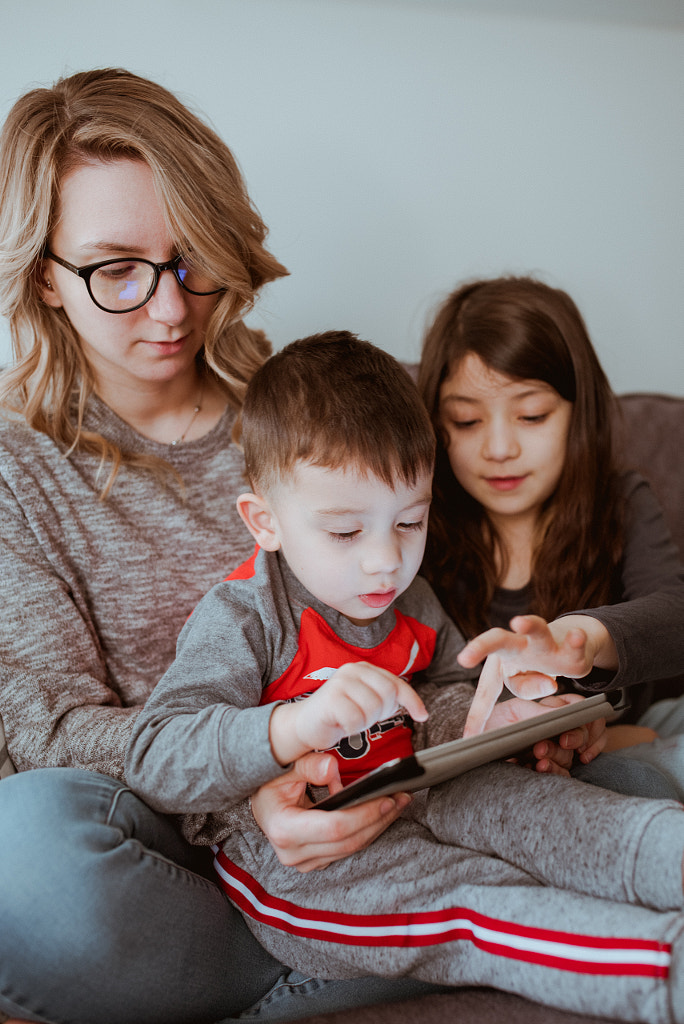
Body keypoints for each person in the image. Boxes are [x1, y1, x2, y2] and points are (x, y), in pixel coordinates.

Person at [0, 68, 449, 1024]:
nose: (169, 308)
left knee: (619, 779)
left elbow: (398, 623)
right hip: (169, 851)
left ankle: (330, 962)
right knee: (23, 852)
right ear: (44, 273)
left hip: (351, 803)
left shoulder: (299, 414)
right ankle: (363, 961)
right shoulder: (12, 465)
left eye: (191, 259)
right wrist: (253, 778)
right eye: (114, 270)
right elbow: (45, 735)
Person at [126, 332, 684, 1024]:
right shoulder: (242, 616)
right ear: (264, 521)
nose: (385, 563)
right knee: (477, 904)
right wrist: (291, 725)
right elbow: (154, 754)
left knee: (566, 812)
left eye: (410, 522)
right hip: (317, 870)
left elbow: (451, 695)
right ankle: (664, 966)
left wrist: (507, 715)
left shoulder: (410, 598)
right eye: (345, 533)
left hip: (433, 795)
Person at [417, 275, 684, 798]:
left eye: (531, 415)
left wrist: (580, 642)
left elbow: (676, 614)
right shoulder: (422, 522)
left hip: (639, 725)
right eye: (467, 421)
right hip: (503, 754)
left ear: (578, 413)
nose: (499, 448)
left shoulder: (620, 499)